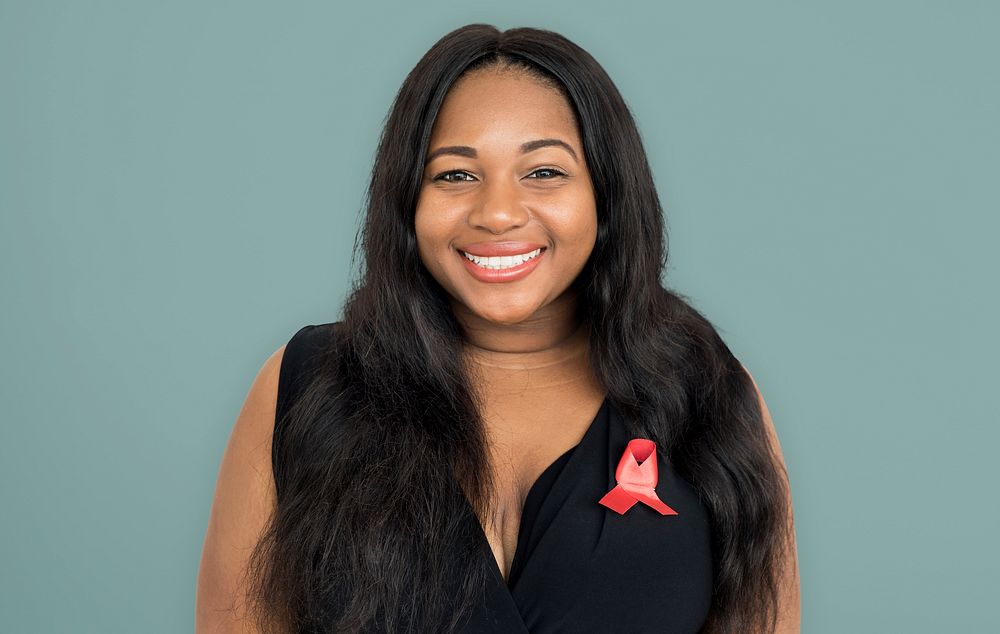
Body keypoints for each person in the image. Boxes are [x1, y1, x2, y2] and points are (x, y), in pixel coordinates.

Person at [196, 23, 800, 634]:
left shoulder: (711, 398)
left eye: (543, 172)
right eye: (455, 175)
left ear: (606, 194)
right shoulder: (304, 388)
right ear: (408, 200)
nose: (499, 213)